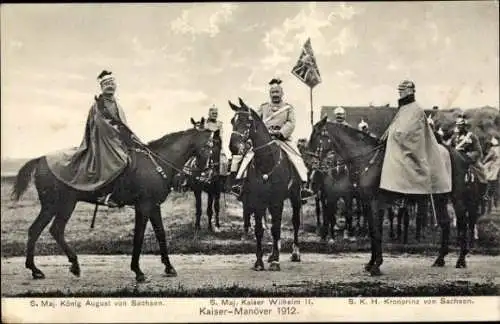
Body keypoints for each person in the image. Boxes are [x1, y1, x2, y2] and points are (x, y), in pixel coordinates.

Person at [46, 70, 142, 207]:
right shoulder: (98, 106)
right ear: (102, 87)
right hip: (103, 142)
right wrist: (117, 135)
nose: (110, 85)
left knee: (135, 159)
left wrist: (133, 137)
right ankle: (107, 195)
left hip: (116, 141)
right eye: (107, 83)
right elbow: (100, 125)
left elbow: (124, 125)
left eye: (112, 83)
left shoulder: (117, 105)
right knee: (121, 161)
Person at [230, 78, 315, 200]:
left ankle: (303, 186)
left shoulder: (288, 108)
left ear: (282, 93)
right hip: (264, 140)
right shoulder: (263, 107)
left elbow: (291, 123)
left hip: (283, 139)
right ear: (270, 94)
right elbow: (255, 121)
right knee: (248, 157)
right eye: (273, 92)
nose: (275, 95)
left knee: (297, 158)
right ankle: (239, 183)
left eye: (277, 92)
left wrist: (281, 133)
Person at [379, 80, 452, 195]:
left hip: (413, 150)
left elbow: (408, 134)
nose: (400, 93)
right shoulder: (403, 109)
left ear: (409, 91)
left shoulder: (416, 109)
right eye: (399, 91)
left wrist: (395, 134)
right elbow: (395, 126)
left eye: (402, 91)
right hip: (398, 144)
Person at [450, 114, 486, 183]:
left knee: (482, 172)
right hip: (454, 160)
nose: (459, 126)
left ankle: (484, 190)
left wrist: (467, 156)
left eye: (461, 125)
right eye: (457, 125)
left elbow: (478, 151)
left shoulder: (471, 136)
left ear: (464, 126)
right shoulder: (454, 137)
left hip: (468, 160)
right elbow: (450, 148)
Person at [205, 105, 229, 178]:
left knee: (224, 160)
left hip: (216, 143)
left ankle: (222, 176)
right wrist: (208, 142)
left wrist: (221, 147)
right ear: (209, 113)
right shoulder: (205, 123)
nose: (215, 115)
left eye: (216, 114)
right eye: (213, 113)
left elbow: (221, 135)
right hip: (206, 143)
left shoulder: (219, 123)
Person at [483, 137, 500, 211]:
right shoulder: (498, 148)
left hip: (495, 165)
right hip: (497, 164)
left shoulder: (493, 149)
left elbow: (488, 157)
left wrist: (484, 161)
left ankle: (486, 193)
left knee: (487, 174)